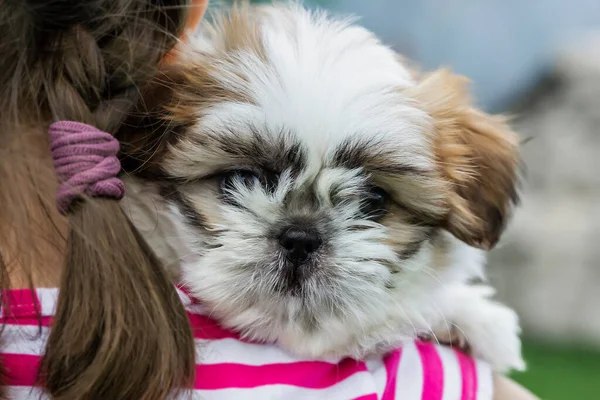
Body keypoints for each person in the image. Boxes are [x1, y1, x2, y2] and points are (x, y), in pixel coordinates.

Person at [0, 0, 538, 398]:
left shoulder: (43, 340)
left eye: (371, 202)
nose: (301, 236)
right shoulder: (425, 381)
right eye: (238, 183)